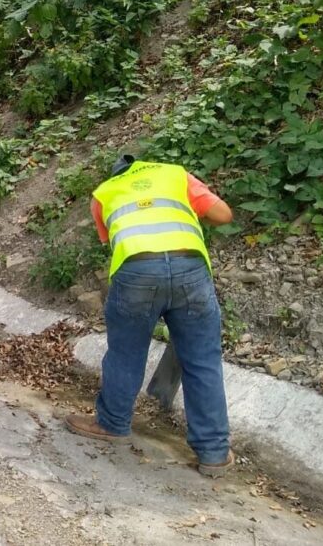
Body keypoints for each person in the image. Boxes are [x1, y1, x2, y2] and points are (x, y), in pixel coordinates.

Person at [65, 155, 236, 477]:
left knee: (126, 353)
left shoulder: (104, 192)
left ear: (117, 174)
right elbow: (223, 215)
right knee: (202, 359)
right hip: (190, 270)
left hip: (137, 270)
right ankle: (214, 452)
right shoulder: (175, 174)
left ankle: (113, 424)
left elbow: (114, 240)